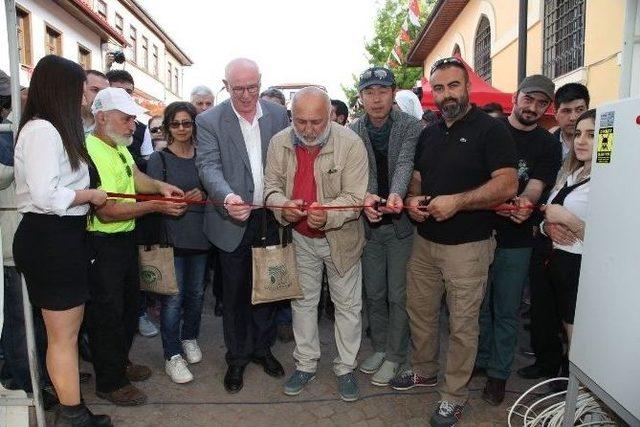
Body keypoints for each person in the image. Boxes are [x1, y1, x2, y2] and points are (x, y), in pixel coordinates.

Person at [404, 57, 518, 427]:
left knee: (462, 326)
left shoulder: (491, 130)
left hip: (468, 247)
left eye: (453, 85)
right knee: (419, 312)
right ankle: (424, 370)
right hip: (425, 243)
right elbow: (418, 178)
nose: (446, 94)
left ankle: (453, 396)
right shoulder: (429, 131)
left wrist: (458, 201)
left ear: (467, 86)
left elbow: (507, 184)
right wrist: (412, 201)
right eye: (438, 88)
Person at [12, 55, 111, 427]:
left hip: (61, 238)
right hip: (50, 239)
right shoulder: (42, 131)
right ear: (61, 90)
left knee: (64, 335)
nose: (85, 96)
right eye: (81, 88)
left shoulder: (53, 129)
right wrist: (90, 195)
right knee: (63, 337)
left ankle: (72, 408)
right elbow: (45, 194)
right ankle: (72, 416)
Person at [263, 86, 368, 402]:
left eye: (316, 122)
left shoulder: (350, 143)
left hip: (341, 240)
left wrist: (329, 216)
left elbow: (355, 198)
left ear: (332, 116)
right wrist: (284, 206)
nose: (308, 130)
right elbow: (270, 189)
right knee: (303, 303)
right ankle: (306, 364)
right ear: (291, 116)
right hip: (300, 238)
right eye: (301, 121)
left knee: (348, 306)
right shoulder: (279, 141)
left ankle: (345, 367)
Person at [85, 87, 186, 406]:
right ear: (102, 118)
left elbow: (135, 176)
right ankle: (110, 381)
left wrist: (158, 186)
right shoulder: (90, 150)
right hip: (102, 244)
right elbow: (108, 210)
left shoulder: (116, 145)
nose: (133, 126)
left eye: (133, 119)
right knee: (108, 314)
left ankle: (119, 363)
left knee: (129, 307)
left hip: (125, 239)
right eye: (126, 119)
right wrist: (156, 205)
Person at [195, 58, 290, 394]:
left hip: (268, 216)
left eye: (253, 87)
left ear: (261, 82)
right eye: (239, 89)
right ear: (226, 85)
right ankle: (236, 357)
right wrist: (227, 197)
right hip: (231, 217)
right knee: (234, 293)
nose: (247, 95)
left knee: (267, 288)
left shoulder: (278, 115)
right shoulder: (209, 120)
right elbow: (207, 166)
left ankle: (262, 349)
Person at [476, 75, 562, 405]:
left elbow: (536, 185)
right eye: (529, 99)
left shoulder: (548, 143)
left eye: (542, 103)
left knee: (508, 309)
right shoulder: (490, 130)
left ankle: (498, 374)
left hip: (517, 237)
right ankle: (480, 361)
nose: (534, 108)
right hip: (478, 231)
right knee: (479, 306)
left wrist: (524, 205)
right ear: (516, 97)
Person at [349, 67, 422, 387]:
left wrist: (396, 193)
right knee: (374, 293)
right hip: (369, 226)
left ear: (394, 93)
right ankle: (379, 347)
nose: (376, 99)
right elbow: (353, 172)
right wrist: (365, 196)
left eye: (382, 91)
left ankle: (396, 355)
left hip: (402, 226)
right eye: (369, 92)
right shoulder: (352, 130)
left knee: (398, 294)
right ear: (361, 97)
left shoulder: (412, 126)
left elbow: (406, 161)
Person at [518, 82, 591, 381]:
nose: (573, 119)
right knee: (544, 309)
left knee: (575, 322)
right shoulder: (550, 147)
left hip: (579, 261)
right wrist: (547, 226)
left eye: (580, 112)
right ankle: (549, 365)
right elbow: (544, 201)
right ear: (556, 114)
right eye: (566, 112)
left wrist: (567, 220)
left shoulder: (611, 168)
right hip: (546, 244)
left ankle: (574, 380)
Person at [147, 102, 210, 384]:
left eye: (187, 123)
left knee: (196, 294)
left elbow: (215, 185)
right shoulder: (158, 160)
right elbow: (149, 199)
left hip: (201, 236)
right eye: (176, 124)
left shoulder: (205, 156)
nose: (182, 129)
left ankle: (189, 337)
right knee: (173, 299)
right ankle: (172, 354)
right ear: (167, 127)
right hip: (171, 237)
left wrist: (205, 192)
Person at [540, 109, 595, 368]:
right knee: (572, 342)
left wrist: (567, 219)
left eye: (592, 135)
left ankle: (581, 402)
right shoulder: (571, 173)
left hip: (582, 271)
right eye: (578, 134)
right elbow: (548, 215)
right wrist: (546, 225)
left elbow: (612, 242)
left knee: (581, 346)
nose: (581, 141)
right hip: (559, 266)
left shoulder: (611, 182)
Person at [105, 70, 153, 172]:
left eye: (128, 91)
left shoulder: (143, 129)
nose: (124, 95)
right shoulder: (93, 121)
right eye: (118, 90)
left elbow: (146, 164)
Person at [82, 70, 109, 135]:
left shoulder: (111, 129)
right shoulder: (62, 122)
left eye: (105, 93)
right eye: (95, 90)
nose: (100, 97)